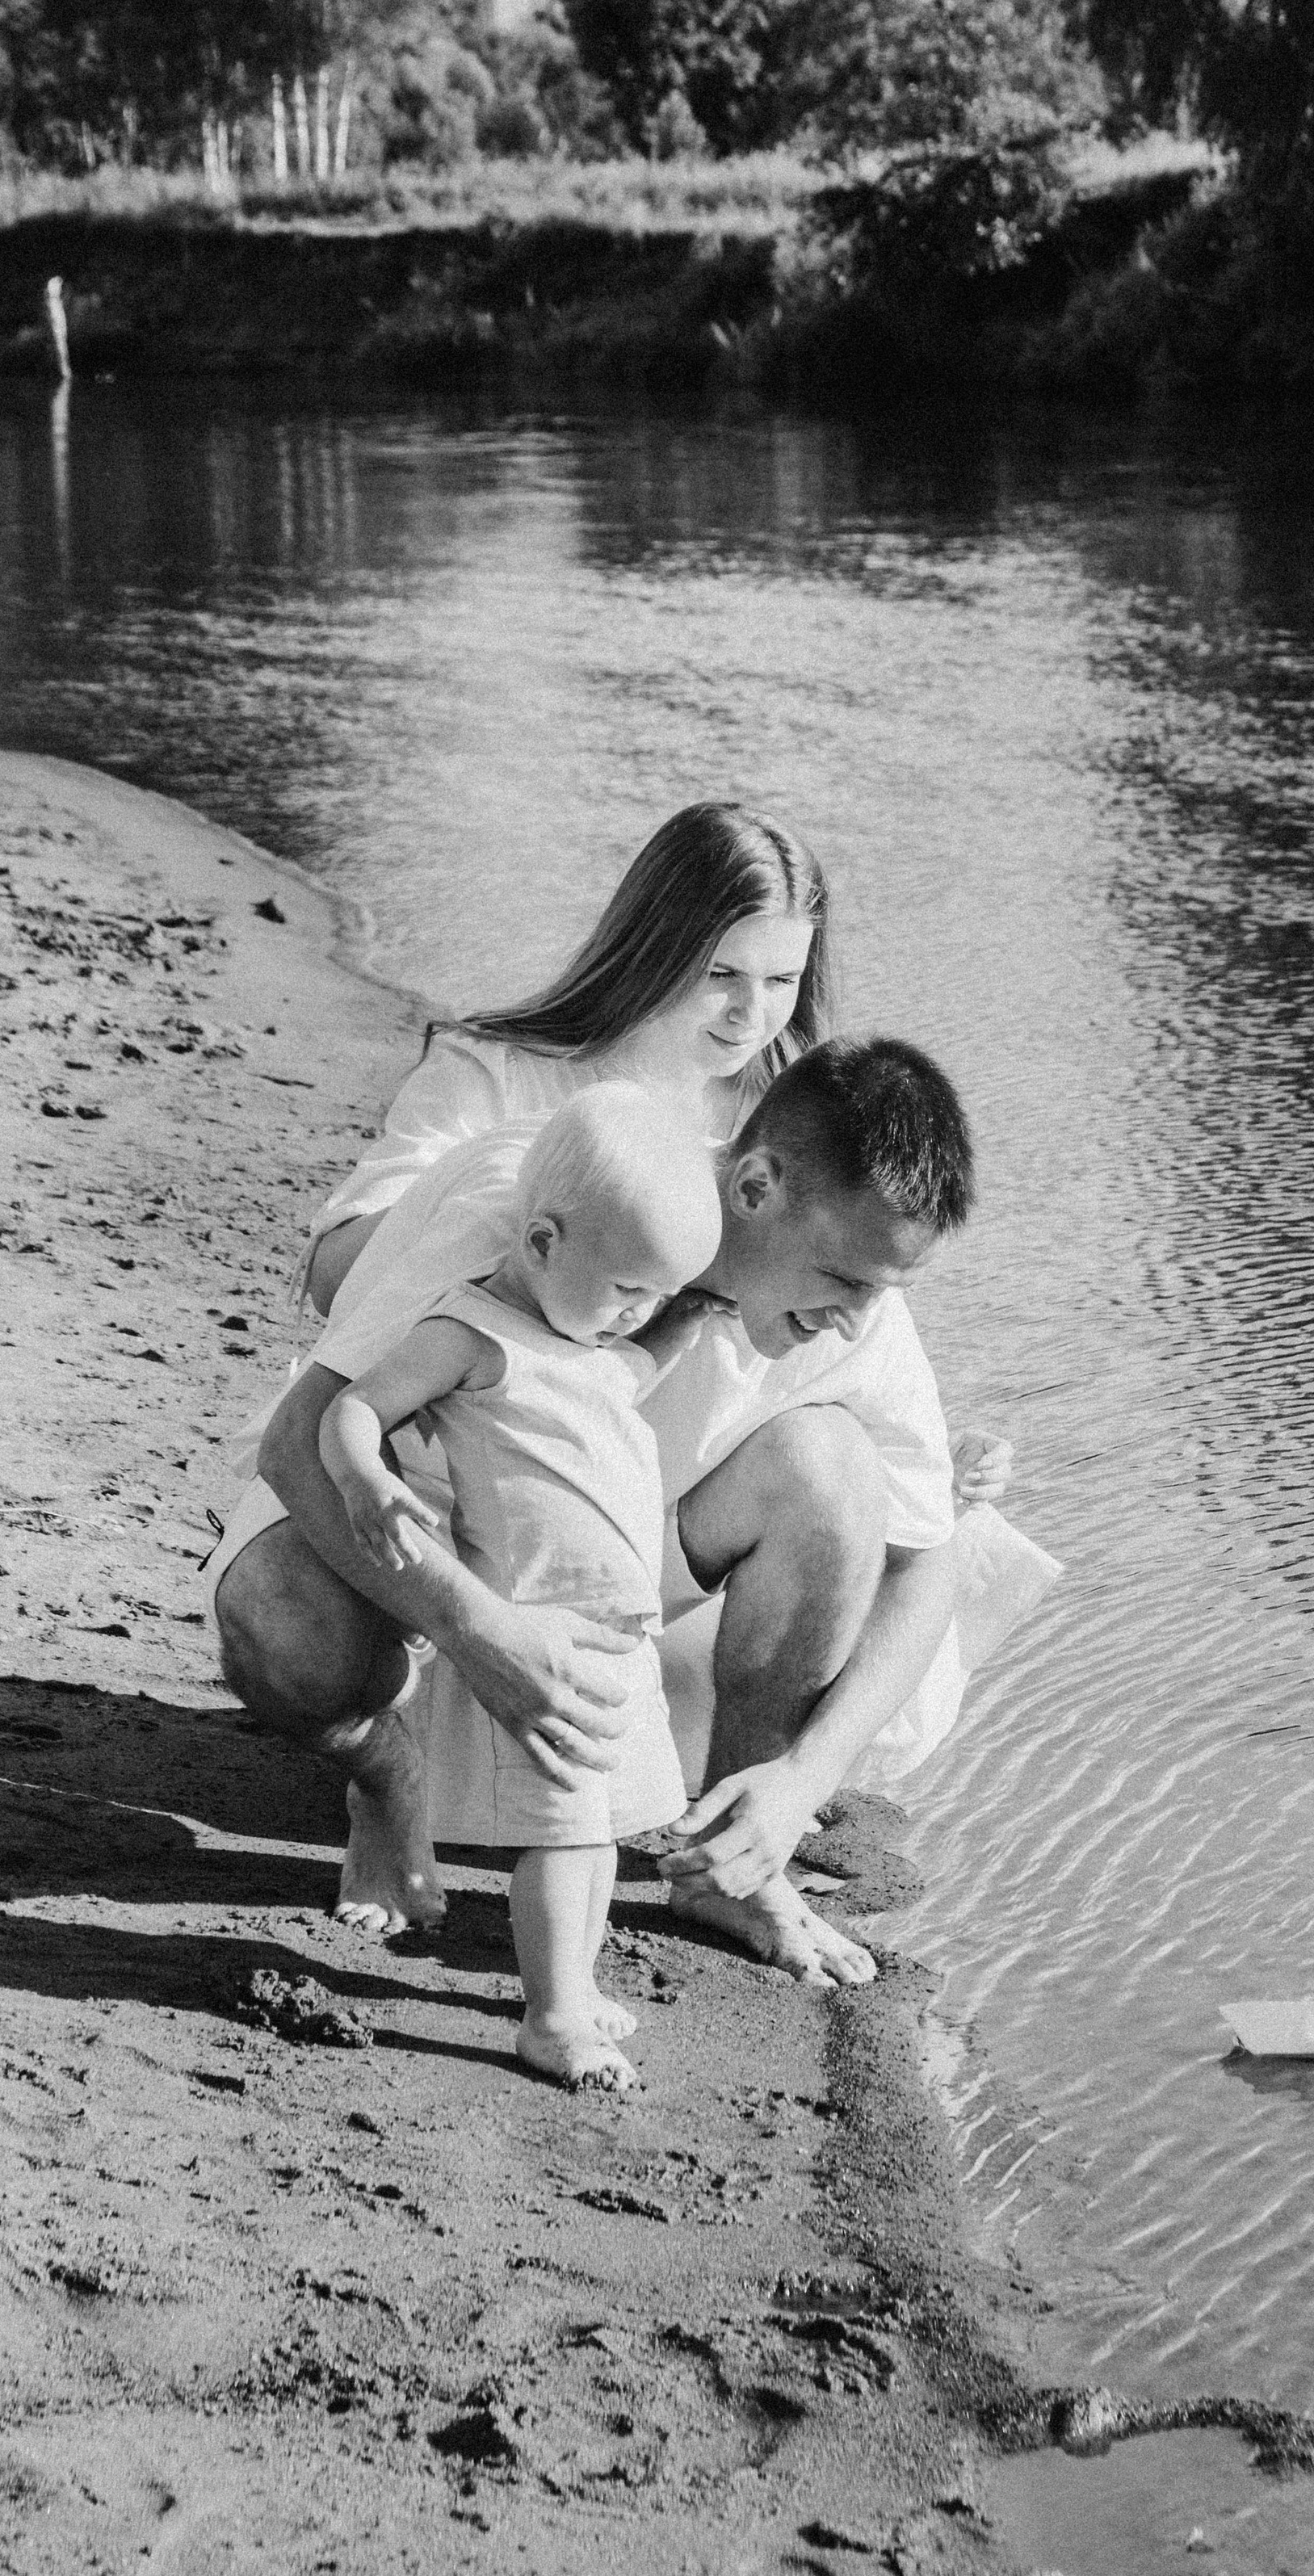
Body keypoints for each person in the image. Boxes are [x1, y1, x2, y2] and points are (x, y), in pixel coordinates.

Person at [214, 1039, 979, 1987]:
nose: (859, 1317)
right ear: (755, 1187)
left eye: (884, 1289)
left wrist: (802, 1784)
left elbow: (926, 1567)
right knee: (280, 1615)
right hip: (409, 1569)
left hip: (600, 1599)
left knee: (832, 1470)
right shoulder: (548, 1199)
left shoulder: (858, 1316)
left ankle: (733, 1858)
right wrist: (473, 1623)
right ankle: (386, 1777)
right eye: (847, 1280)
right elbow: (304, 1441)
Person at [317, 1085, 720, 2091]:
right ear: (540, 1242)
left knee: (598, 1836)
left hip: (612, 1638)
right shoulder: (472, 1332)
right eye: (630, 1287)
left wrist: (692, 1315)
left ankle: (574, 1988)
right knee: (560, 1835)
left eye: (657, 1297)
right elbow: (354, 1410)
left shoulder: (589, 1344)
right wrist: (367, 1478)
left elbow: (629, 1374)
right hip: (533, 1631)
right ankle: (549, 2016)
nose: (642, 1312)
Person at [302, 801, 833, 1315]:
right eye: (722, 975)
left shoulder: (786, 1126)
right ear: (652, 950)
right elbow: (331, 1281)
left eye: (782, 980)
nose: (751, 1014)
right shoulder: (494, 1074)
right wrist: (532, 1189)